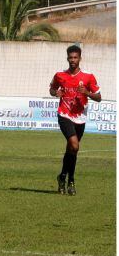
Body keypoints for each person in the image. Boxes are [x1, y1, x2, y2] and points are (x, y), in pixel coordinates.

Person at [49, 45, 101, 196]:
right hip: (64, 115)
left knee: (72, 150)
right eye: (70, 57)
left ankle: (63, 177)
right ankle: (71, 180)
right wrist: (55, 93)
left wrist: (87, 93)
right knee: (74, 145)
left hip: (80, 118)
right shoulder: (60, 75)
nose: (73, 60)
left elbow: (99, 97)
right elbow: (52, 89)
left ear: (80, 58)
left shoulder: (88, 77)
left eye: (75, 57)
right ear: (67, 58)